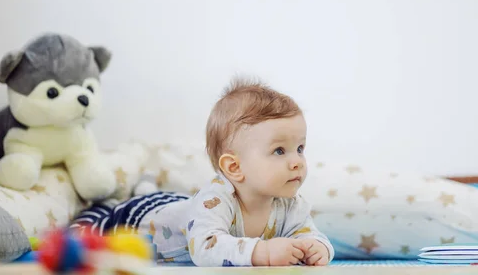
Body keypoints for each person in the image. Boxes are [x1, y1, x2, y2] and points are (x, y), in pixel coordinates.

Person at [71, 78, 333, 267]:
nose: (297, 161)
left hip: (183, 206)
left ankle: (145, 186)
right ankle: (122, 197)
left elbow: (309, 233)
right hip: (141, 217)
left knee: (176, 202)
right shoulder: (218, 199)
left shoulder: (290, 204)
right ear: (234, 167)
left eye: (300, 148)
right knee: (96, 224)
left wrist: (318, 248)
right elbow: (205, 248)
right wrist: (261, 252)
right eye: (279, 151)